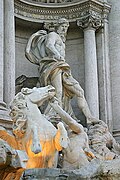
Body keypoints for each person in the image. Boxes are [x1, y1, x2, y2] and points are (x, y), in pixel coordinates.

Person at [25, 18, 95, 123]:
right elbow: (49, 45)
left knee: (79, 91)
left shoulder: (62, 41)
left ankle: (89, 118)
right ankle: (54, 115)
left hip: (63, 67)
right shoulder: (53, 35)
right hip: (54, 65)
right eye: (62, 26)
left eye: (66, 27)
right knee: (58, 91)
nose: (64, 29)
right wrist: (57, 55)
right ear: (57, 26)